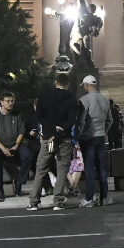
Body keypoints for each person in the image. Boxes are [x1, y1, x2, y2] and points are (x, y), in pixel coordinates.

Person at [28, 73, 79, 209]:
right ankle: (58, 201)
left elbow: (39, 116)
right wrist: (59, 132)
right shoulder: (71, 98)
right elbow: (72, 120)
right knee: (62, 169)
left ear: (56, 82)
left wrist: (51, 128)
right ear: (67, 84)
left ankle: (34, 201)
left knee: (41, 169)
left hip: (47, 137)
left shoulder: (45, 96)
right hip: (64, 138)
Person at [76, 75, 114, 207]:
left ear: (86, 85)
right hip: (100, 136)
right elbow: (110, 120)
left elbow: (81, 120)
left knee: (90, 168)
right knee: (101, 168)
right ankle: (104, 197)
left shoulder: (84, 100)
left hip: (88, 137)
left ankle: (89, 198)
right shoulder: (104, 100)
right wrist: (104, 130)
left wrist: (78, 135)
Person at [0, 92, 26, 202]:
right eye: (8, 101)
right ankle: (0, 190)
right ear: (2, 102)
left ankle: (19, 182)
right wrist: (3, 149)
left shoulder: (17, 114)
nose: (11, 103)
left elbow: (21, 132)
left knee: (28, 155)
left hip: (15, 143)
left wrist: (17, 145)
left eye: (12, 101)